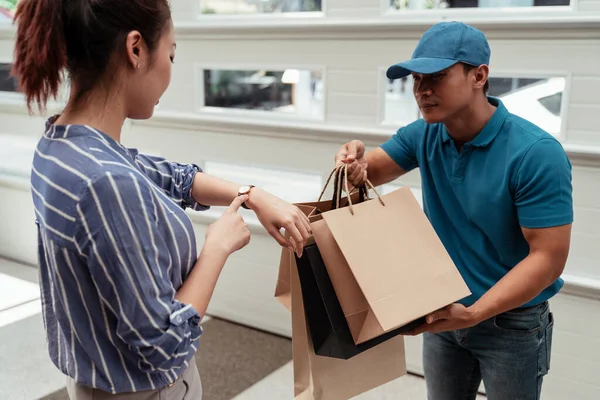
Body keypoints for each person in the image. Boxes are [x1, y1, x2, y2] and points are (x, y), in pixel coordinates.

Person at [12, 1, 311, 399]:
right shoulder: (106, 182)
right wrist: (217, 248)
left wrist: (251, 195)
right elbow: (163, 349)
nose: (171, 70)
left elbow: (169, 176)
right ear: (136, 49)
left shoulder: (60, 146)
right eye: (171, 53)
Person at [335, 21, 572, 400]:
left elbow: (549, 258)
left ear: (479, 76)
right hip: (444, 311)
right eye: (416, 79)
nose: (422, 90)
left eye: (438, 76)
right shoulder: (425, 133)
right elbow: (370, 173)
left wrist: (476, 313)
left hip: (512, 324)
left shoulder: (535, 154)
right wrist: (354, 165)